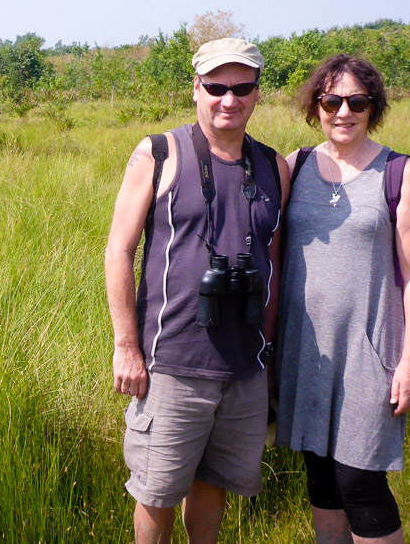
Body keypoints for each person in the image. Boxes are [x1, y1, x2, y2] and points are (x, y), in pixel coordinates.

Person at [104, 38, 289, 543]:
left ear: (257, 93)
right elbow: (118, 250)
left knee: (215, 487)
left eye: (242, 87)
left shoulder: (275, 167)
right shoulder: (159, 153)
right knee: (157, 493)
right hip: (171, 365)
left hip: (245, 368)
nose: (229, 100)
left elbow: (273, 262)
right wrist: (126, 348)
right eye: (216, 87)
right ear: (196, 88)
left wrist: (269, 357)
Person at [275, 54, 410, 543]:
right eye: (331, 100)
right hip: (305, 351)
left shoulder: (399, 173)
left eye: (357, 101)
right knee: (321, 480)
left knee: (359, 480)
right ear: (315, 106)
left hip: (369, 350)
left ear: (373, 107)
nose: (343, 112)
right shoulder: (294, 166)